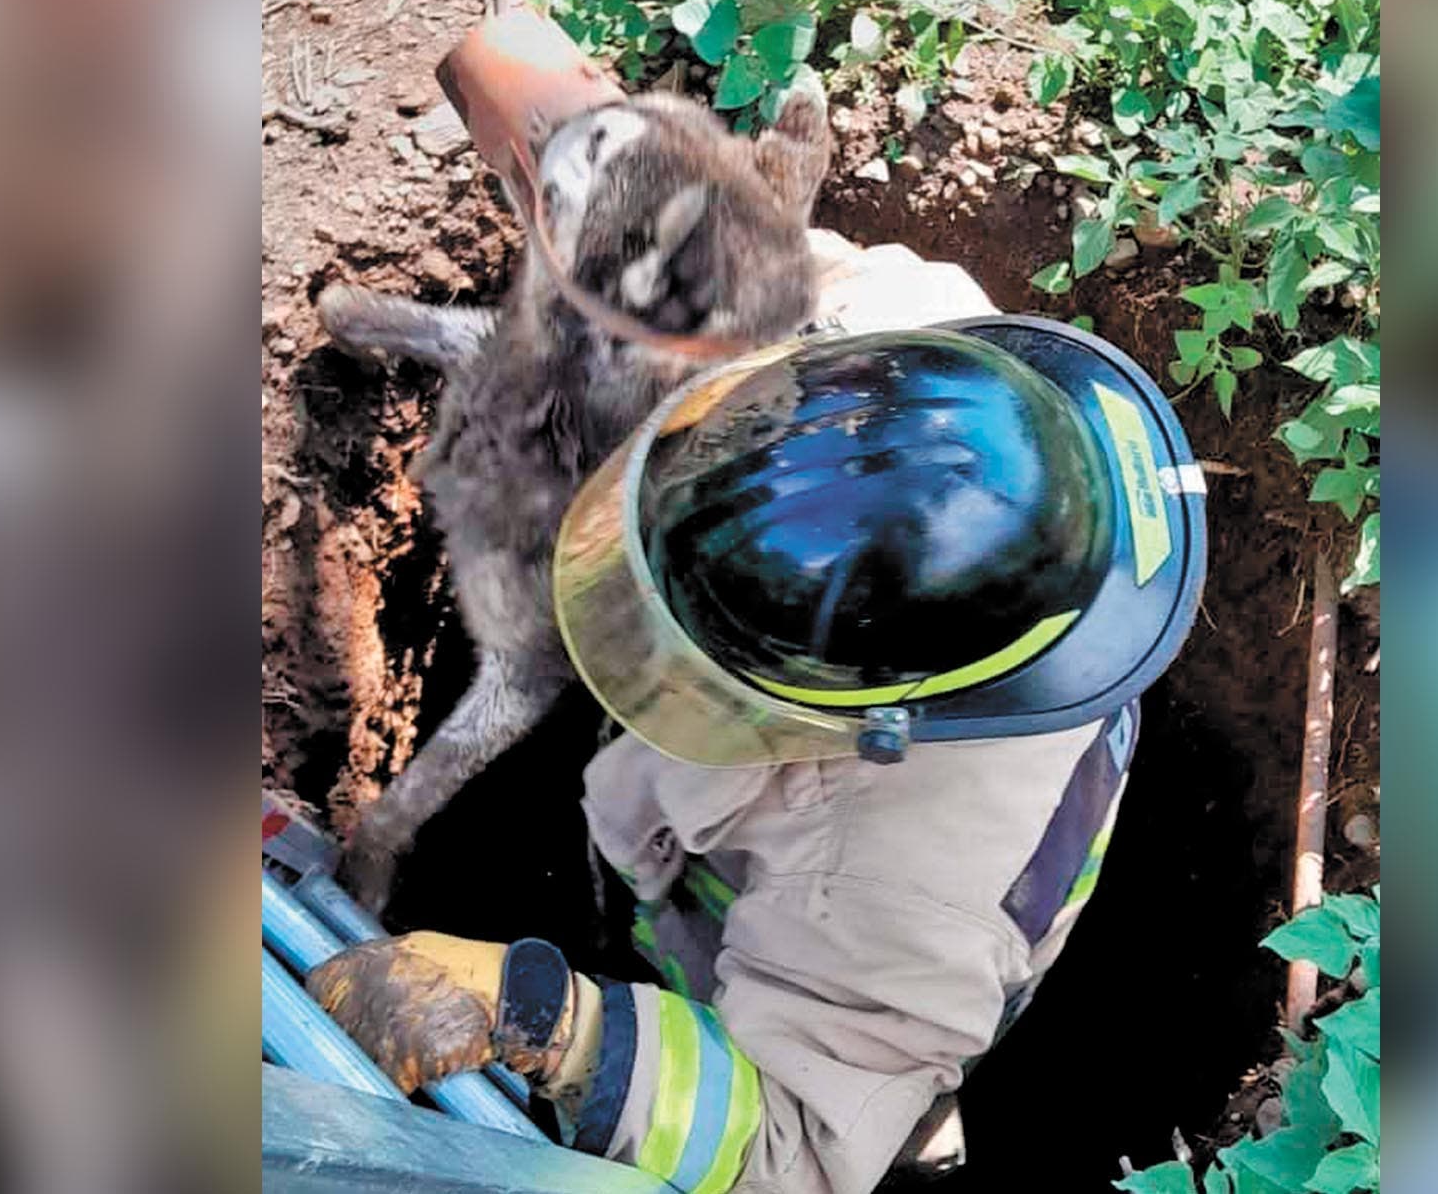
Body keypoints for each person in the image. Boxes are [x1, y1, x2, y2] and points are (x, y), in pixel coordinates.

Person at [308, 236, 1206, 1194]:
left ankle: (900, 1108)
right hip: (696, 847)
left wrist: (550, 1023)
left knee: (842, 1094)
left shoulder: (905, 898)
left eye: (702, 670)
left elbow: (793, 1150)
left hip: (825, 992)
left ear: (868, 712)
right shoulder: (899, 350)